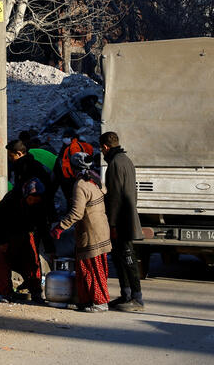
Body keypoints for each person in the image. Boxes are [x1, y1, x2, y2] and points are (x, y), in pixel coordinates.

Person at [50, 151, 111, 312]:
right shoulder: (95, 180)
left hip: (91, 233)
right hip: (101, 230)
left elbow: (77, 213)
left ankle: (99, 302)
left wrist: (60, 227)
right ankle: (88, 300)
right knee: (96, 267)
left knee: (92, 269)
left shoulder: (80, 185)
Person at [100, 131, 144, 312]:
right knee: (120, 258)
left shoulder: (115, 164)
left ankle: (136, 297)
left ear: (105, 147)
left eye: (101, 150)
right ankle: (126, 294)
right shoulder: (126, 161)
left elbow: (115, 197)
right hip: (126, 217)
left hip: (120, 221)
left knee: (127, 258)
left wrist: (112, 224)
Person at [54, 129, 95, 206]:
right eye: (64, 137)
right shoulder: (68, 146)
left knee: (74, 199)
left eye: (67, 137)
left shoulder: (74, 147)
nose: (65, 139)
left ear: (72, 137)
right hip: (69, 177)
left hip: (71, 178)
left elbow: (77, 163)